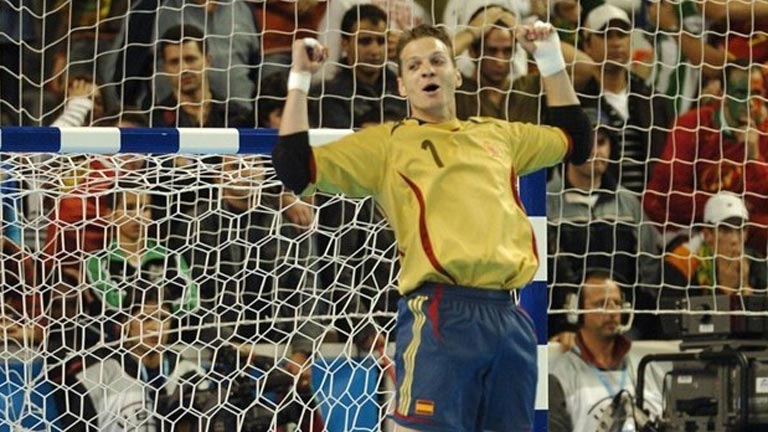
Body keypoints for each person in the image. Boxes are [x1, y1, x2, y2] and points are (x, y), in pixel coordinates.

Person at [272, 22, 592, 431]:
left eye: (437, 61)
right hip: (442, 311)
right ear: (402, 85)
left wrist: (548, 57)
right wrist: (300, 78)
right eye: (414, 65)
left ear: (456, 75)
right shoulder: (387, 144)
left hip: (509, 317)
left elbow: (576, 141)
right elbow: (294, 167)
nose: (427, 70)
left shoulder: (498, 134)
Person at [547, 108, 660, 340]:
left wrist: (633, 323)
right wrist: (561, 326)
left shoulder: (629, 205)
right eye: (587, 142)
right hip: (562, 335)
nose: (595, 151)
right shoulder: (545, 203)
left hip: (624, 331)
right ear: (570, 147)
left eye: (601, 142)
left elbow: (648, 270)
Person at [644, 63, 768, 253]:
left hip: (733, 229)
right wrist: (733, 207)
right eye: (741, 93)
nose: (750, 102)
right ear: (723, 95)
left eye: (756, 93)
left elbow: (763, 203)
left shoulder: (764, 133)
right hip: (674, 225)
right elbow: (672, 194)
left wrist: (754, 157)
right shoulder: (691, 124)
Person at [548, 270, 664, 432]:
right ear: (576, 310)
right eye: (601, 304)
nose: (612, 311)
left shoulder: (648, 368)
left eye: (616, 303)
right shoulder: (560, 375)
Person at [309, 3, 407, 129]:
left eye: (381, 41)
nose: (375, 50)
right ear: (345, 44)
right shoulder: (327, 94)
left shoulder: (403, 89)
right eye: (365, 41)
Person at [661, 192, 767, 298]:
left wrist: (747, 295)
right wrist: (725, 290)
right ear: (707, 234)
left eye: (741, 229)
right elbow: (671, 307)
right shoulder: (681, 263)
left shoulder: (756, 261)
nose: (734, 240)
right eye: (725, 230)